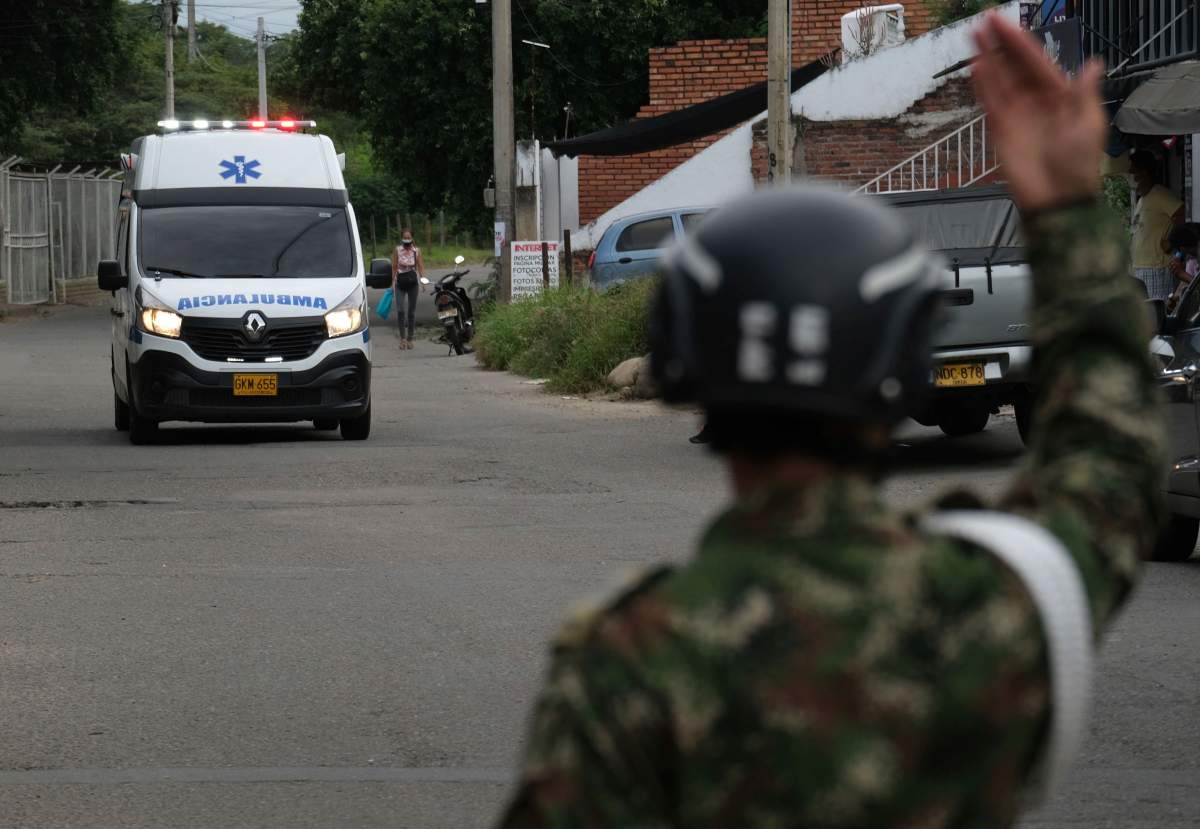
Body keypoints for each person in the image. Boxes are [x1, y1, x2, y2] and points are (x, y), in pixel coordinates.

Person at [497, 15, 1165, 827]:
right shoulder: (985, 611)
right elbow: (1111, 467)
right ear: (898, 370)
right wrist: (1065, 213)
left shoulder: (632, 663)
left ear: (691, 377)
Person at [1129, 148, 1184, 301]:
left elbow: (1182, 213)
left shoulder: (1160, 194)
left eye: (1134, 173)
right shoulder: (1142, 199)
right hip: (1140, 267)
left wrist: (1172, 241)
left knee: (1156, 316)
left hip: (1156, 268)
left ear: (1144, 172)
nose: (1132, 177)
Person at [392, 228, 426, 349]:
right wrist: (392, 283)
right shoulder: (397, 250)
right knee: (401, 310)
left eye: (408, 237)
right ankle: (402, 339)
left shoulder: (416, 251)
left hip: (412, 283)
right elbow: (394, 266)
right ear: (402, 238)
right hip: (400, 283)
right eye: (404, 237)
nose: (406, 239)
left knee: (411, 312)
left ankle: (410, 338)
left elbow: (421, 266)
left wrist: (423, 281)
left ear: (412, 238)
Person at [1165, 222, 1200, 313]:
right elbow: (1182, 288)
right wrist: (1172, 300)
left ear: (1182, 247)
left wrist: (1183, 275)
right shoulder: (1192, 262)